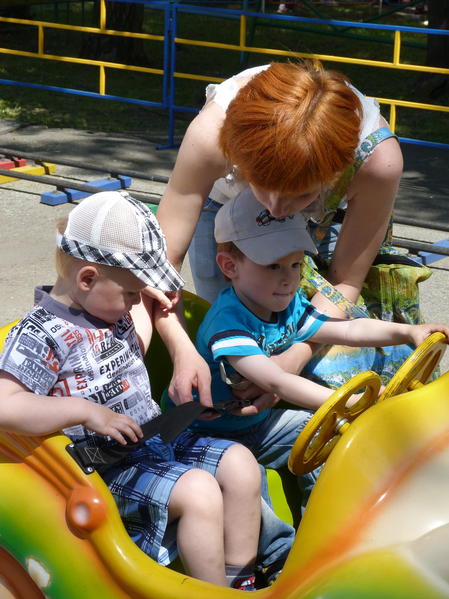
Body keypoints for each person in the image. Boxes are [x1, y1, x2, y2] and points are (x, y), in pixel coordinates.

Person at [0, 190, 262, 591]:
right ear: (87, 278)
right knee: (200, 492)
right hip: (104, 468)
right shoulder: (40, 335)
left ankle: (240, 582)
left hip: (153, 441)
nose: (138, 301)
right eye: (132, 292)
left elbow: (145, 315)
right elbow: (6, 405)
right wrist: (86, 411)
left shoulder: (109, 308)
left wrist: (170, 332)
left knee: (241, 464)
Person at [155, 59, 419, 408]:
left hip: (331, 209)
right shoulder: (211, 137)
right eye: (263, 187)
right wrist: (183, 352)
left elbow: (345, 281)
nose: (277, 210)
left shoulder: (377, 162)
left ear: (336, 174)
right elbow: (160, 268)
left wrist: (293, 358)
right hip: (226, 205)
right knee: (233, 327)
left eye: (300, 195)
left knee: (322, 361)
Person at [182, 191, 449, 461]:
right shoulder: (228, 323)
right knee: (245, 474)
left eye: (295, 264)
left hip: (259, 424)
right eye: (273, 266)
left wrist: (408, 332)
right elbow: (277, 381)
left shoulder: (288, 305)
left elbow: (348, 330)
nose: (289, 278)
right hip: (206, 433)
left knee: (334, 437)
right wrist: (356, 402)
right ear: (230, 266)